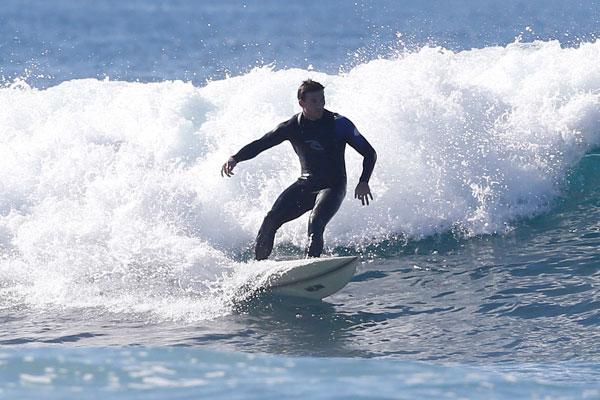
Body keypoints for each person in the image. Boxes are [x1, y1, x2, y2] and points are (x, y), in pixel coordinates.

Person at [221, 79, 377, 260]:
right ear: (301, 103)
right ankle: (257, 268)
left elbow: (369, 152)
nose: (320, 105)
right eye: (314, 101)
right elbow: (262, 143)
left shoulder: (339, 124)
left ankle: (310, 267)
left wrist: (364, 181)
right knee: (271, 219)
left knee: (316, 223)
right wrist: (236, 158)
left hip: (333, 186)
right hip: (306, 183)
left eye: (322, 100)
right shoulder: (292, 126)